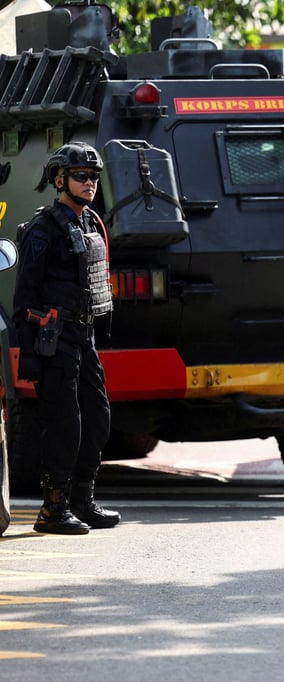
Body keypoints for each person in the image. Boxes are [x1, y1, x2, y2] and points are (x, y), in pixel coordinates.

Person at [13, 141, 120, 535]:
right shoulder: (43, 229)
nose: (89, 182)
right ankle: (52, 510)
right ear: (60, 180)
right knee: (64, 423)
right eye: (80, 176)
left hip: (83, 333)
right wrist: (29, 354)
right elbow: (24, 297)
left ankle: (82, 500)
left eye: (94, 176)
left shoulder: (91, 221)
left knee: (98, 416)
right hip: (53, 338)